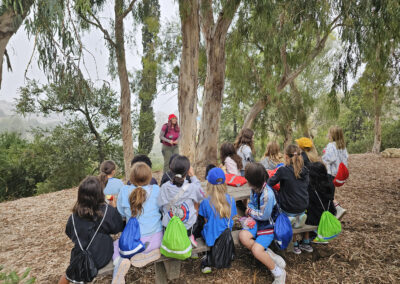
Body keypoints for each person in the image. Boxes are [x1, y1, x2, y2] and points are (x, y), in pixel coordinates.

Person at [59, 176, 124, 284]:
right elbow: (117, 228)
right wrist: (113, 207)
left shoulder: (73, 217)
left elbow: (69, 233)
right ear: (99, 193)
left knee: (68, 274)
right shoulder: (107, 211)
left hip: (79, 257)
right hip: (101, 257)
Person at [113, 162, 163, 283]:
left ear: (131, 178)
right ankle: (149, 253)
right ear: (150, 176)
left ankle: (120, 262)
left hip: (132, 245)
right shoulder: (156, 190)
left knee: (114, 245)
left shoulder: (124, 191)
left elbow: (120, 213)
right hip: (157, 241)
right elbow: (162, 209)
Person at [239, 163, 286, 284]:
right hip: (256, 220)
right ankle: (269, 255)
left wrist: (250, 211)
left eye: (247, 178)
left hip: (268, 224)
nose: (246, 179)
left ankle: (279, 273)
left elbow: (264, 216)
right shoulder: (254, 188)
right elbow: (252, 204)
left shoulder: (267, 194)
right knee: (243, 236)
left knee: (256, 250)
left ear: (253, 181)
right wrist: (249, 213)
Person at [267, 144, 310, 254]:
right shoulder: (305, 170)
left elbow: (269, 183)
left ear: (286, 156)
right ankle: (298, 218)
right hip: (303, 206)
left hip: (288, 208)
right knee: (295, 198)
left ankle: (294, 243)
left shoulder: (283, 171)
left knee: (275, 196)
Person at [158, 155, 205, 248]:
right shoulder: (192, 187)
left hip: (169, 227)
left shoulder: (164, 187)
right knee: (196, 209)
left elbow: (160, 205)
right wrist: (193, 177)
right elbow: (202, 196)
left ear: (171, 170)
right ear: (188, 171)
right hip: (187, 228)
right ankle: (190, 236)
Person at [198, 167, 237, 274]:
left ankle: (206, 257)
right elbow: (232, 217)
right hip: (226, 236)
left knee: (202, 226)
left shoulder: (205, 202)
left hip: (210, 237)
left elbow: (205, 221)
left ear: (209, 184)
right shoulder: (231, 200)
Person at [322, 126, 349, 219]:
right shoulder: (342, 147)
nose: (328, 135)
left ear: (333, 135)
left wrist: (324, 155)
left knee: (328, 194)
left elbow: (329, 159)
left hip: (330, 173)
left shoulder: (331, 145)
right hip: (338, 174)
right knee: (331, 193)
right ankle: (334, 211)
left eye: (329, 133)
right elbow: (346, 158)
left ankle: (337, 209)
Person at [306, 162, 336, 227]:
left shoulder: (310, 186)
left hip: (315, 218)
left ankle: (307, 236)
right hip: (330, 212)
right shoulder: (331, 180)